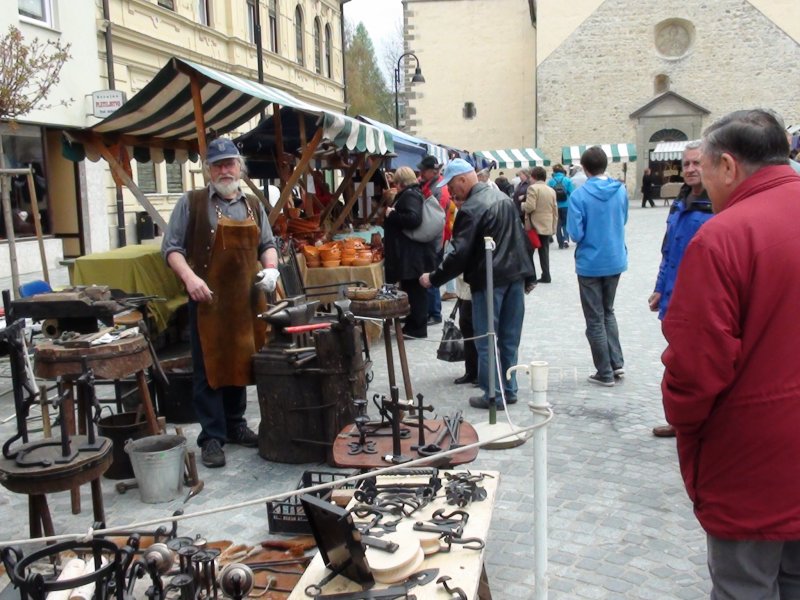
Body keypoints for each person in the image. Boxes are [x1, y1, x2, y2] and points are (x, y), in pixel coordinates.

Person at [661, 109, 800, 598]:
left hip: (753, 449)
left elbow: (697, 366)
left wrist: (685, 423)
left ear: (727, 166)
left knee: (745, 585)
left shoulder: (724, 236)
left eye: (703, 167)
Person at [162, 138, 279, 468]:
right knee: (210, 369)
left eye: (230, 163)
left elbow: (267, 244)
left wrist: (271, 269)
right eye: (218, 165)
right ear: (208, 171)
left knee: (240, 362)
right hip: (208, 301)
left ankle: (235, 425)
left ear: (240, 167)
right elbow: (171, 249)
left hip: (245, 301)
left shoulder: (253, 205)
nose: (224, 170)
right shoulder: (192, 203)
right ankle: (212, 436)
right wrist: (190, 279)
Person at [419, 159, 536, 410]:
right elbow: (521, 240)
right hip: (513, 277)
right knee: (509, 337)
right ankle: (509, 389)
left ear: (462, 179)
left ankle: (493, 393)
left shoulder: (472, 208)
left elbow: (458, 254)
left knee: (486, 339)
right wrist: (529, 275)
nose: (451, 192)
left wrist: (434, 278)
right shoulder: (502, 198)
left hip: (490, 281)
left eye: (452, 186)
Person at [647, 141, 713, 438]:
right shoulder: (681, 202)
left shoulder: (718, 205)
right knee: (677, 362)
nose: (690, 169)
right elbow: (668, 252)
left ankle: (700, 422)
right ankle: (679, 419)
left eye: (697, 163)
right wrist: (660, 288)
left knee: (699, 363)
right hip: (674, 298)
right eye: (686, 164)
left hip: (701, 300)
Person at [566, 146, 628, 387]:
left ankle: (604, 371)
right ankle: (616, 362)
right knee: (608, 311)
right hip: (615, 257)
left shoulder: (579, 196)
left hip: (591, 262)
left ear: (584, 168)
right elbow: (623, 219)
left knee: (594, 318)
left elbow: (575, 233)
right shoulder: (620, 190)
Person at [383, 166, 438, 339]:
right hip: (412, 253)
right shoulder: (413, 193)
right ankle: (413, 323)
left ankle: (417, 328)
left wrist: (392, 215)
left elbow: (414, 219)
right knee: (412, 290)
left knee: (415, 291)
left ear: (401, 182)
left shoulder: (410, 195)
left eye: (396, 183)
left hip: (412, 254)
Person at [417, 155, 449, 325]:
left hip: (434, 239)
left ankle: (435, 313)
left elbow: (437, 217)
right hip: (430, 237)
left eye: (423, 170)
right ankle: (430, 311)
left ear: (432, 171)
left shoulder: (440, 188)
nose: (420, 173)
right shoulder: (430, 184)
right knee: (429, 273)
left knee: (431, 275)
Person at [523, 166, 558, 283]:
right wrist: (554, 226)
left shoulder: (532, 188)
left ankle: (531, 276)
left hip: (534, 225)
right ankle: (546, 275)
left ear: (534, 177)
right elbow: (555, 210)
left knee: (529, 251)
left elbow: (530, 207)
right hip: (547, 224)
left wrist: (522, 205)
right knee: (544, 252)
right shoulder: (551, 190)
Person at [547, 164, 575, 249]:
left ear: (554, 172)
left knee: (557, 224)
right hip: (566, 204)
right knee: (566, 223)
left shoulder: (551, 181)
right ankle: (566, 239)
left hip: (555, 205)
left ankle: (560, 242)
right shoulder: (567, 180)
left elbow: (549, 194)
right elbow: (572, 192)